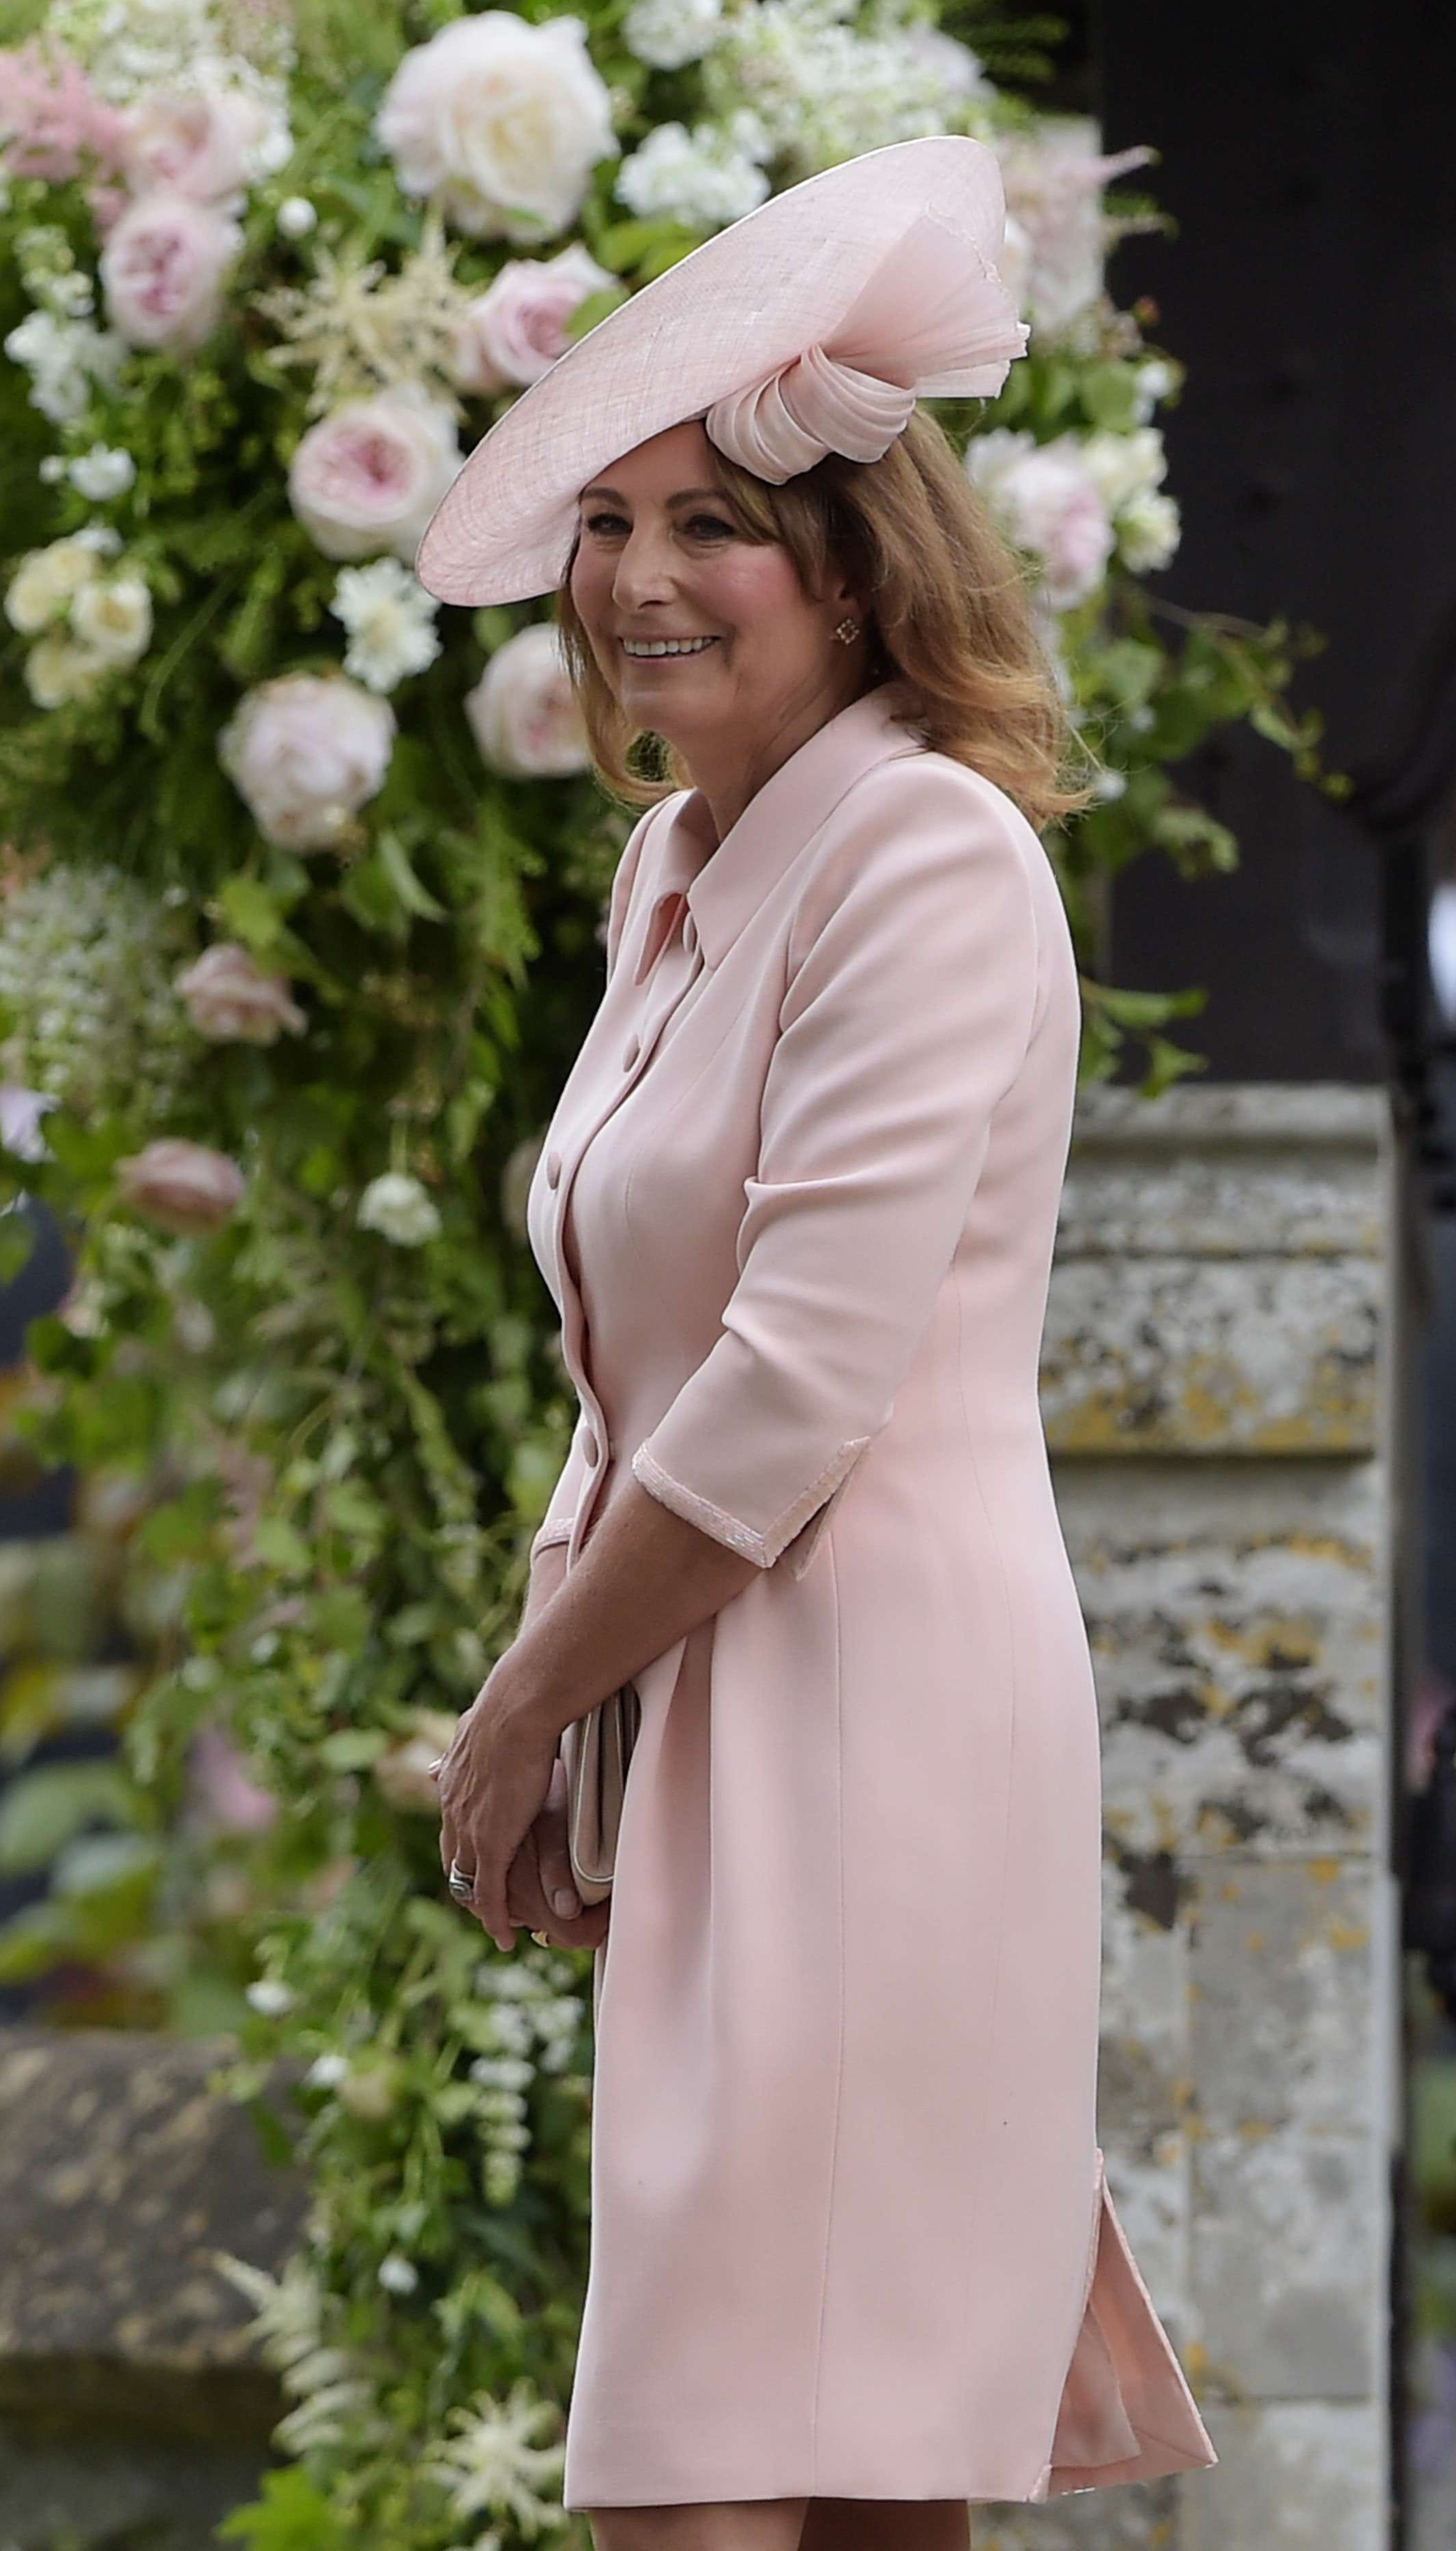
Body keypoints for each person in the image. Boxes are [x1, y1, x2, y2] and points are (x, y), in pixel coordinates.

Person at [419, 136, 1214, 2550]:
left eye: (713, 524)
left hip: (874, 1710)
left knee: (724, 2449)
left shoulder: (924, 851)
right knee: (838, 2469)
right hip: (711, 1692)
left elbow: (787, 1387)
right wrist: (587, 1706)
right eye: (606, 523)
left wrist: (524, 1701)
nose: (637, 578)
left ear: (856, 571)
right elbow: (632, 1361)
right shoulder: (673, 865)